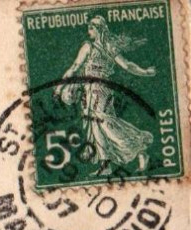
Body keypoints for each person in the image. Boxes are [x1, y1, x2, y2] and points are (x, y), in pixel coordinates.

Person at [53, 16, 156, 174]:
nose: (89, 32)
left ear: (99, 29)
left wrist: (145, 72)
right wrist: (60, 88)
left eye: (91, 28)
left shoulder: (102, 47)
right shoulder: (95, 47)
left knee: (105, 124)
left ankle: (139, 147)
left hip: (100, 91)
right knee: (97, 126)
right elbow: (75, 67)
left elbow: (126, 65)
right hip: (91, 91)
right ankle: (106, 164)